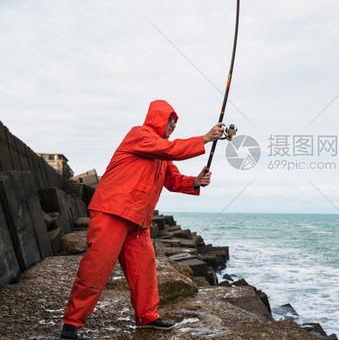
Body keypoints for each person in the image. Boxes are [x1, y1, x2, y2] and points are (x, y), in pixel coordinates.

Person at [60, 99, 224, 339]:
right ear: (157, 117)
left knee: (144, 271)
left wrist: (195, 181)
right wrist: (205, 138)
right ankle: (72, 322)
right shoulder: (139, 135)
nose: (172, 125)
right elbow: (172, 150)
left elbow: (173, 180)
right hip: (112, 212)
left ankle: (148, 316)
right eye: (170, 120)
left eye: (175, 122)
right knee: (96, 269)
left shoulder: (161, 151)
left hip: (138, 221)